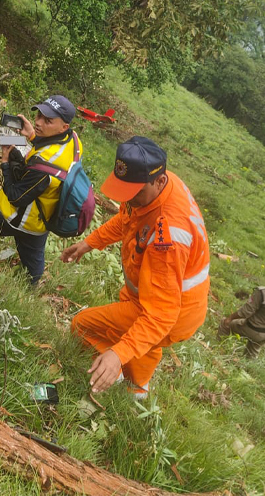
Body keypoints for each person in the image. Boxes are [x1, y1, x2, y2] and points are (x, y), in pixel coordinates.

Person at [60, 136, 211, 399]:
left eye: (133, 194)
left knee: (82, 325)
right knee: (142, 336)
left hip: (173, 313)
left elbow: (160, 315)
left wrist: (117, 354)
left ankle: (112, 372)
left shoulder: (168, 238)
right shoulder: (154, 187)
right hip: (157, 297)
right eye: (124, 192)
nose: (127, 200)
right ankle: (137, 388)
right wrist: (90, 243)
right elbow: (127, 219)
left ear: (159, 181)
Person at [0, 95, 83, 285]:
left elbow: (16, 197)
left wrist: (5, 162)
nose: (38, 122)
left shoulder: (44, 167)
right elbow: (52, 154)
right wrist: (33, 136)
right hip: (42, 221)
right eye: (39, 116)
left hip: (20, 219)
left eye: (48, 121)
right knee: (32, 271)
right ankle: (31, 286)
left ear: (63, 126)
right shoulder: (73, 141)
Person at [218, 262, 265, 357]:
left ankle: (218, 350)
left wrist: (229, 318)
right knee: (253, 350)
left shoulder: (264, 292)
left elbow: (245, 312)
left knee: (224, 323)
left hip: (253, 329)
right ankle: (248, 362)